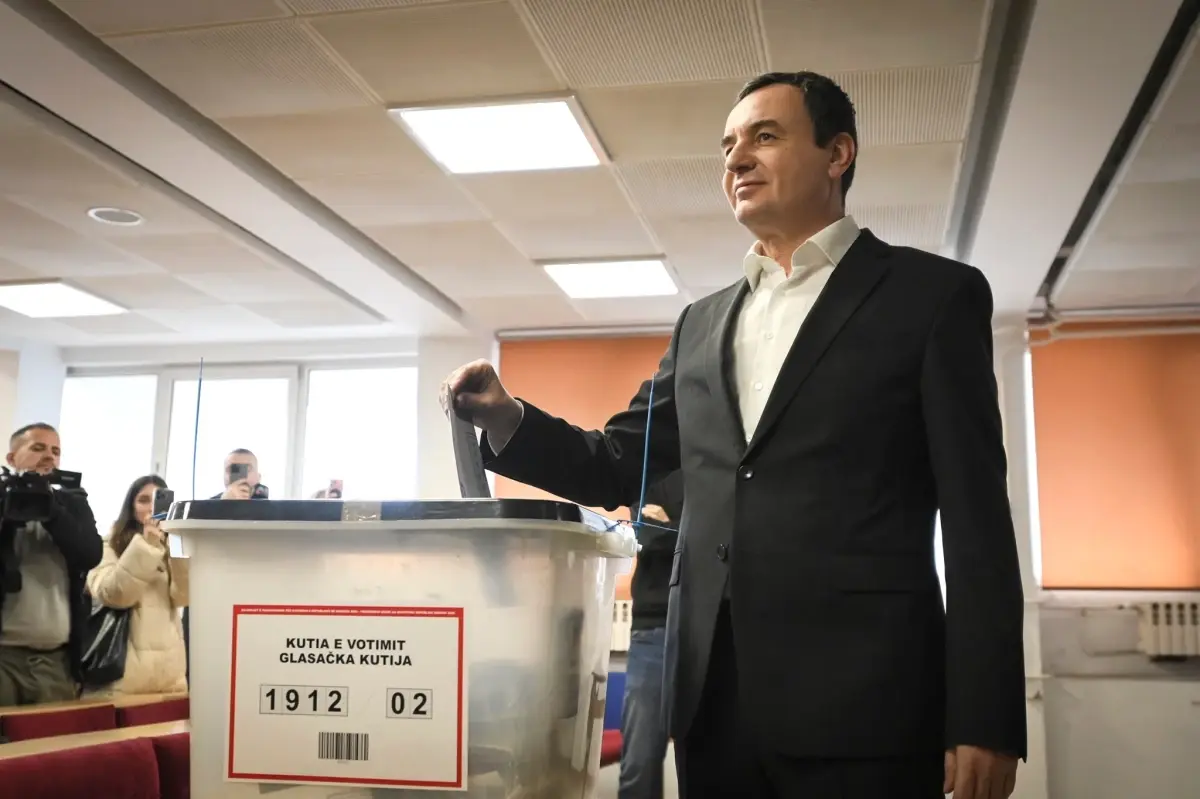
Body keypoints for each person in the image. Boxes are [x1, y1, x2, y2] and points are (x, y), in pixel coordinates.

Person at [442, 71, 1026, 799]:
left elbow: (977, 521)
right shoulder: (702, 323)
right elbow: (618, 461)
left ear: (838, 152)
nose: (737, 159)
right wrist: (506, 416)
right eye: (728, 146)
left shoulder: (931, 297)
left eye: (765, 136)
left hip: (868, 704)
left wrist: (985, 715)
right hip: (714, 706)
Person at [0, 423, 101, 705]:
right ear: (11, 458)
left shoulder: (72, 503)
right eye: (38, 448)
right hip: (3, 656)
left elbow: (90, 555)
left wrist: (52, 510)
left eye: (56, 451)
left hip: (54, 659)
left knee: (52, 733)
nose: (49, 456)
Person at [84, 475, 188, 697]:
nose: (151, 508)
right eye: (143, 500)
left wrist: (179, 547)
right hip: (121, 675)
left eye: (158, 500)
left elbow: (185, 597)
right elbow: (114, 595)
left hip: (168, 676)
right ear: (130, 508)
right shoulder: (108, 545)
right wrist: (147, 545)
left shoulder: (173, 546)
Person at [620, 472, 683, 799]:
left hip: (716, 622)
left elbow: (730, 538)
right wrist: (692, 533)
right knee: (640, 761)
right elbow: (646, 533)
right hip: (654, 628)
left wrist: (671, 527)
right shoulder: (652, 470)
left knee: (718, 755)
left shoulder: (725, 471)